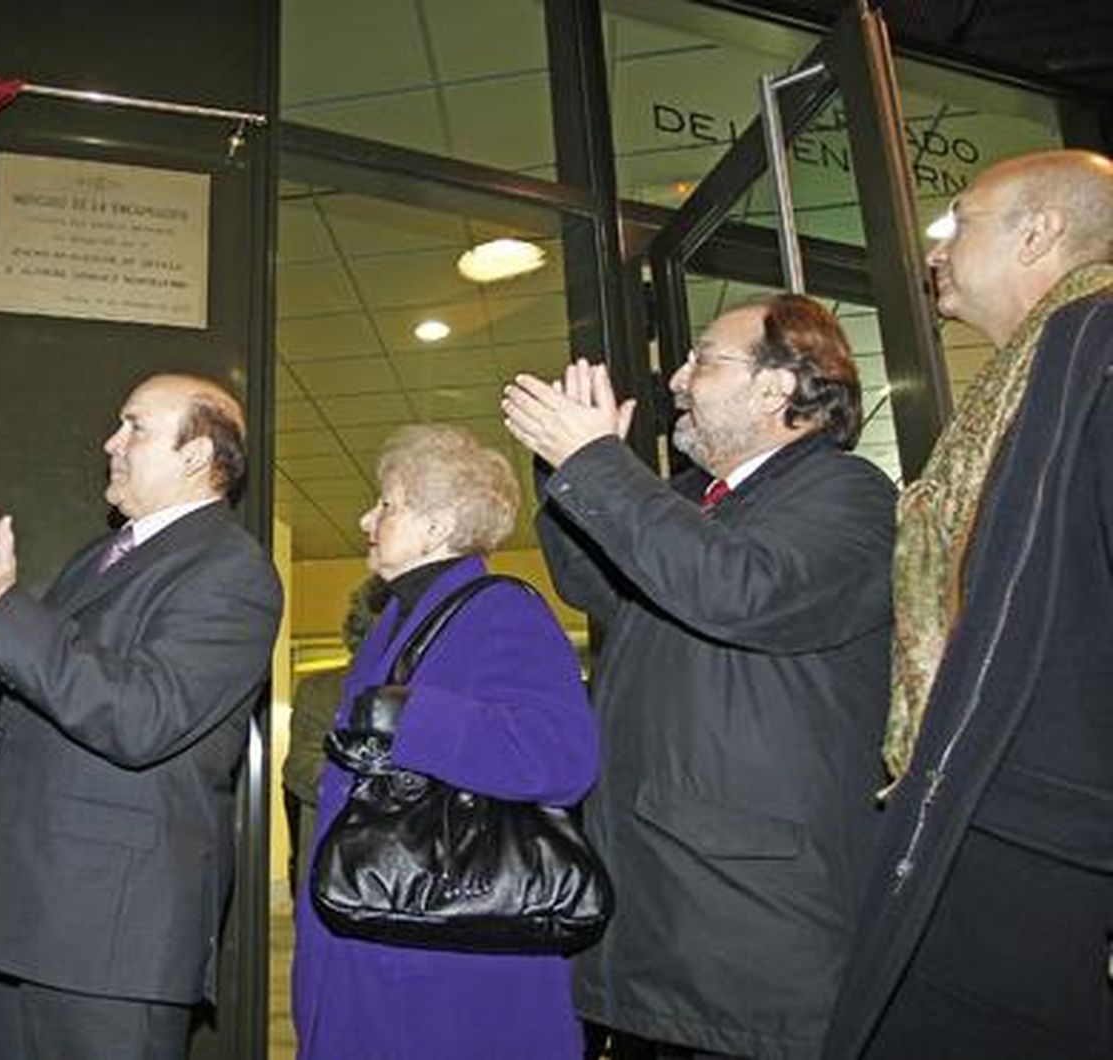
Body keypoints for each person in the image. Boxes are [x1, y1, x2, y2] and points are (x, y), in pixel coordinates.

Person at [503, 294, 897, 1058]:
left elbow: (741, 591)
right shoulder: (690, 500)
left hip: (751, 922)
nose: (678, 379)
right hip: (664, 902)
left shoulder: (847, 493)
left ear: (780, 387)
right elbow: (591, 582)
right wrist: (569, 468)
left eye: (704, 359)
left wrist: (599, 467)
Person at [0, 372, 283, 1060]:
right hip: (34, 913)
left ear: (196, 454)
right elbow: (49, 700)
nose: (110, 441)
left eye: (135, 427)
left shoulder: (233, 571)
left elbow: (141, 717)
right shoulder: (102, 555)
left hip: (113, 936)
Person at [824, 150, 1113, 1060]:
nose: (937, 246)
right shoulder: (1024, 379)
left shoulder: (1092, 349)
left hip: (1047, 843)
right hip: (987, 820)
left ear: (1040, 231)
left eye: (961, 219)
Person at [292, 423, 600, 1059]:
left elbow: (561, 754)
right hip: (384, 928)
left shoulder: (500, 610)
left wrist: (413, 721)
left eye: (387, 504)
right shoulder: (403, 616)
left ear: (437, 524)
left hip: (441, 955)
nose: (364, 519)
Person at [281, 575, 384, 894]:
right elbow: (302, 769)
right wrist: (388, 790)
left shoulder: (444, 695)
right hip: (340, 872)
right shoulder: (322, 691)